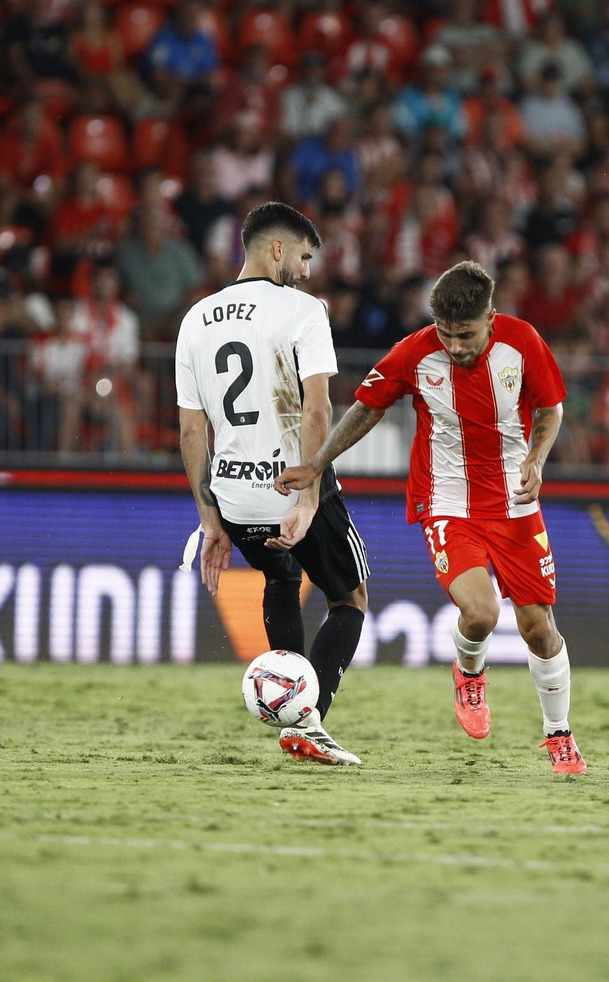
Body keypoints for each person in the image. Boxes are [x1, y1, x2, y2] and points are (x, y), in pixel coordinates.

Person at [277, 261, 586, 775]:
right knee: (481, 613)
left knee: (538, 628)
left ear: (491, 318)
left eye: (466, 334)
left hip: (515, 502)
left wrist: (536, 458)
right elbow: (367, 407)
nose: (455, 346)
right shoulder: (414, 352)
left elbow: (550, 409)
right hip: (446, 502)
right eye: (446, 333)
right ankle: (469, 673)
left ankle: (559, 734)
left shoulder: (523, 342)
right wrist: (317, 462)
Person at [177, 202, 369, 767]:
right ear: (276, 249)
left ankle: (290, 708)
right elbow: (318, 410)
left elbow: (191, 430)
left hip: (234, 498)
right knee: (349, 599)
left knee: (281, 577)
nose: (307, 271)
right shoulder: (304, 310)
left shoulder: (196, 319)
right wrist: (307, 497)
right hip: (292, 487)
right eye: (304, 257)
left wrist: (210, 520)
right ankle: (308, 720)